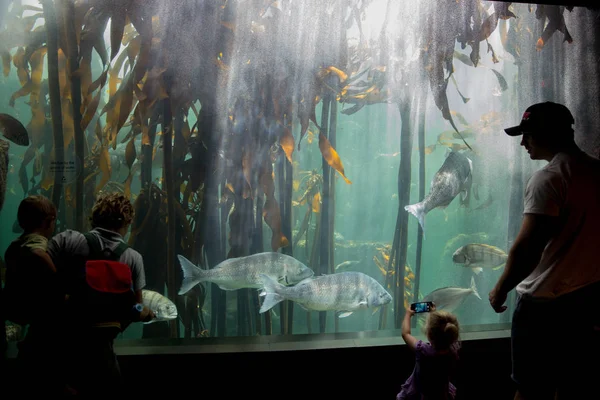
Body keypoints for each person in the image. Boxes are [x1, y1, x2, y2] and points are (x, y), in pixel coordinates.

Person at [489, 101, 600, 400]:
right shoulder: (595, 170)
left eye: (528, 134)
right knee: (572, 384)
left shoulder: (549, 178)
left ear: (547, 133)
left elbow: (528, 248)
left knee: (530, 388)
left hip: (543, 306)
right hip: (587, 298)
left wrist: (500, 288)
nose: (523, 142)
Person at [47, 191, 154, 396]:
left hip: (66, 348)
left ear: (94, 216)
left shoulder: (69, 240)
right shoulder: (133, 258)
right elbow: (136, 308)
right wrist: (147, 312)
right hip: (105, 352)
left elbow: (41, 268)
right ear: (127, 223)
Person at [2, 195, 70, 395]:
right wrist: (60, 284)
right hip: (41, 319)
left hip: (21, 313)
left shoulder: (13, 246)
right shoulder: (38, 245)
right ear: (49, 222)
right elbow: (37, 253)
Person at [397, 306, 461, 400]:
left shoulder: (423, 350)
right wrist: (434, 315)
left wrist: (408, 314)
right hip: (440, 393)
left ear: (428, 333)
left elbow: (405, 333)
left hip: (419, 393)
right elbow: (442, 332)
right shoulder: (453, 351)